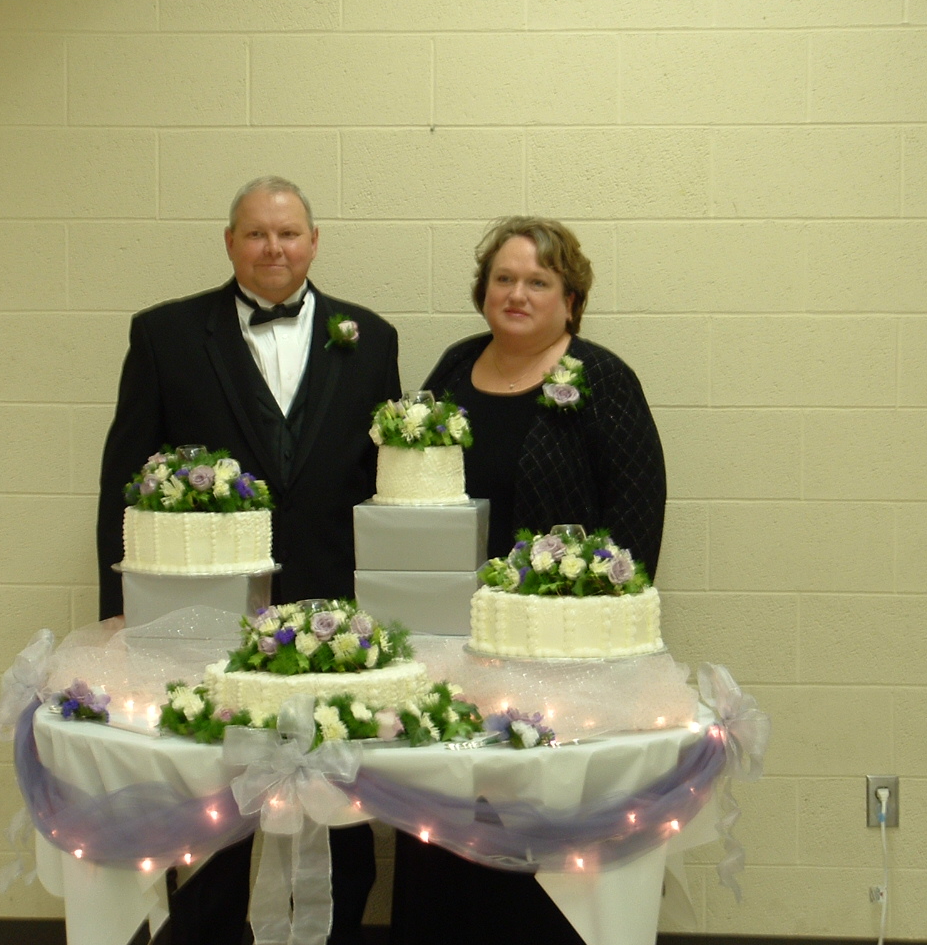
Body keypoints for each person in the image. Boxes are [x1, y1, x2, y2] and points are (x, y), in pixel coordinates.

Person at [96, 176, 401, 945]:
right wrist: (117, 598)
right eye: (258, 234)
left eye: (289, 233)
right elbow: (124, 476)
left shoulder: (372, 337)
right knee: (217, 800)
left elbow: (382, 484)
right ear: (230, 242)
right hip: (207, 606)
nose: (275, 248)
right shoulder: (165, 335)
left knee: (339, 800)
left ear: (314, 242)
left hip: (333, 612)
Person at [390, 216, 666, 945]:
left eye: (538, 282)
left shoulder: (602, 380)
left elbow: (637, 521)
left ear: (570, 301)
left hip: (562, 660)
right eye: (503, 279)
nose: (517, 294)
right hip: (450, 650)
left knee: (539, 842)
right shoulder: (452, 368)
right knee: (448, 834)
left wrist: (600, 632)